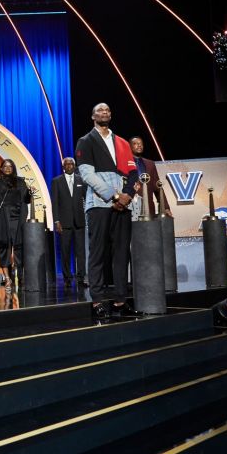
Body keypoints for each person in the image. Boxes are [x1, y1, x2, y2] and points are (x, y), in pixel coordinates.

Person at [75, 103, 137, 318]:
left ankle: (121, 300)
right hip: (99, 204)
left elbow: (133, 173)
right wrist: (114, 196)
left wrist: (127, 195)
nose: (104, 112)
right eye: (100, 110)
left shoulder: (121, 142)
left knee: (122, 253)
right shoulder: (86, 141)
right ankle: (98, 301)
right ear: (93, 116)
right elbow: (87, 175)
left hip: (124, 204)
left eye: (108, 110)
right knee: (98, 253)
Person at [0, 159, 32, 291]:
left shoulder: (20, 181)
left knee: (19, 248)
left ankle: (21, 277)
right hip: (2, 220)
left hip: (18, 219)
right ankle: (7, 278)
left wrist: (29, 192)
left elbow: (26, 200)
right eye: (5, 166)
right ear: (1, 168)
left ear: (13, 168)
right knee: (3, 248)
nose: (7, 168)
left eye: (10, 166)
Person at [51, 156, 88, 288]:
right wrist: (57, 221)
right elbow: (55, 203)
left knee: (81, 252)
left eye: (71, 164)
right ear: (63, 167)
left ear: (74, 166)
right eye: (66, 164)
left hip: (79, 221)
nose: (69, 166)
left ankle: (81, 277)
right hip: (64, 222)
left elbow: (87, 197)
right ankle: (67, 277)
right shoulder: (56, 181)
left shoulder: (81, 180)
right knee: (65, 251)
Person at [129, 136, 171, 217]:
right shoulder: (125, 162)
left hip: (148, 208)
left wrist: (165, 207)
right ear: (129, 146)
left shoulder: (150, 164)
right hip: (130, 207)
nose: (139, 145)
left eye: (141, 144)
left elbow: (158, 186)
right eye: (135, 143)